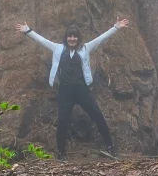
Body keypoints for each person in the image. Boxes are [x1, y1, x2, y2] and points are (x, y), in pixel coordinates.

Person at [15, 17, 129, 160]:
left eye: (75, 36)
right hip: (65, 92)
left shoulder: (85, 48)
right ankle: (61, 152)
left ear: (78, 38)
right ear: (66, 38)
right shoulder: (58, 49)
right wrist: (28, 31)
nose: (72, 39)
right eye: (70, 36)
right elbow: (42, 41)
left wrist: (116, 27)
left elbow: (101, 39)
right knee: (62, 121)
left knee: (97, 116)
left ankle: (110, 147)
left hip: (82, 90)